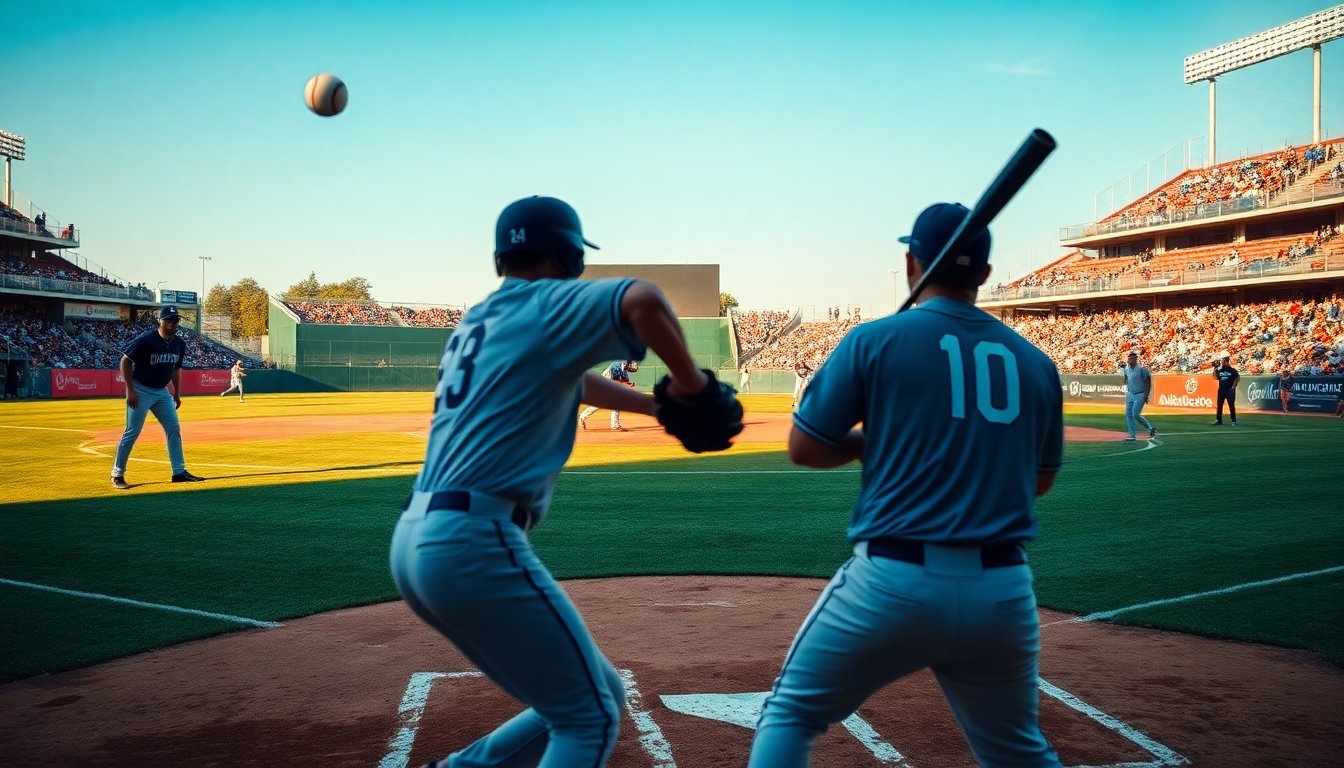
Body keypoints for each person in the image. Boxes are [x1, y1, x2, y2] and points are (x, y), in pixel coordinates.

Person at [391, 196, 719, 768]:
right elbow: (644, 299)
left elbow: (573, 381)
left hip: (420, 539)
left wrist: (659, 408)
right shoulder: (544, 303)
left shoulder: (482, 317)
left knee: (596, 692)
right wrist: (692, 388)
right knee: (588, 718)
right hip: (473, 541)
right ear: (569, 254)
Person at [749, 202, 1064, 768]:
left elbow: (806, 447)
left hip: (893, 581)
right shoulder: (1035, 362)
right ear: (984, 273)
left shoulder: (874, 340)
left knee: (791, 714)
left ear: (911, 264)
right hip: (1003, 593)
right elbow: (1039, 482)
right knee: (1017, 752)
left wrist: (870, 443)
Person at [110, 306, 205, 489]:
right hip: (140, 389)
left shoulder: (179, 343)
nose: (173, 323)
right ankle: (117, 474)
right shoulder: (146, 339)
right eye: (169, 319)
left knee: (173, 428)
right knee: (132, 431)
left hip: (162, 392)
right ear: (160, 321)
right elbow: (125, 361)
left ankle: (179, 472)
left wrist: (176, 393)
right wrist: (130, 390)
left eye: (175, 320)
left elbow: (176, 369)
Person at [579, 360, 638, 431]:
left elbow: (623, 381)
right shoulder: (615, 366)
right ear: (626, 364)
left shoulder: (624, 371)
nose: (632, 366)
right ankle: (615, 426)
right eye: (631, 365)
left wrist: (628, 384)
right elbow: (613, 381)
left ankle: (615, 426)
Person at [1121, 351, 1156, 441]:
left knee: (1135, 414)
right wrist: (1126, 383)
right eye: (1129, 358)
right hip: (1130, 393)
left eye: (1132, 358)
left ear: (1136, 359)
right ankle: (1132, 434)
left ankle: (1150, 428)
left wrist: (1146, 394)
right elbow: (1126, 378)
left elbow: (1148, 382)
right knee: (1128, 414)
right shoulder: (1126, 369)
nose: (1130, 360)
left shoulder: (1141, 369)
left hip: (1140, 394)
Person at [1212, 353, 1239, 425]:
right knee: (1219, 405)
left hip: (1229, 389)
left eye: (1223, 361)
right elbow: (1215, 377)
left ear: (1226, 361)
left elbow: (1237, 378)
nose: (1222, 362)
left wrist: (1233, 387)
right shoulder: (1220, 370)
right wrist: (1215, 368)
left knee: (1231, 405)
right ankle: (1219, 420)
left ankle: (1233, 420)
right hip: (1221, 389)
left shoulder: (1232, 370)